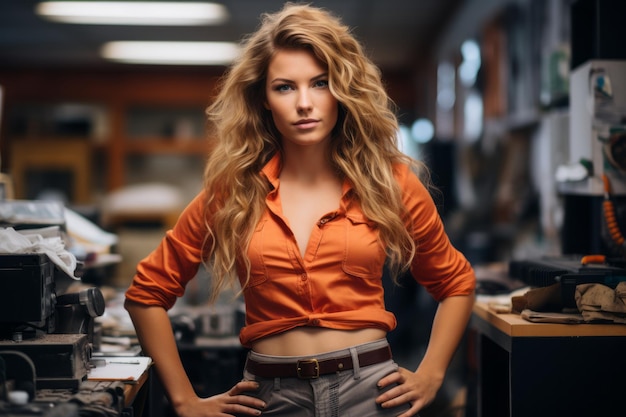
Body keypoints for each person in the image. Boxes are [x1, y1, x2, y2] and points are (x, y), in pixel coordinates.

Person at [124, 3, 476, 417]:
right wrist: (184, 399)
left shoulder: (389, 182)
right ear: (264, 99)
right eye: (285, 87)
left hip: (371, 393)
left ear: (342, 90)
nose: (305, 103)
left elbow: (456, 283)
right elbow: (146, 294)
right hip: (271, 397)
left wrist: (432, 373)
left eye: (321, 83)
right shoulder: (233, 191)